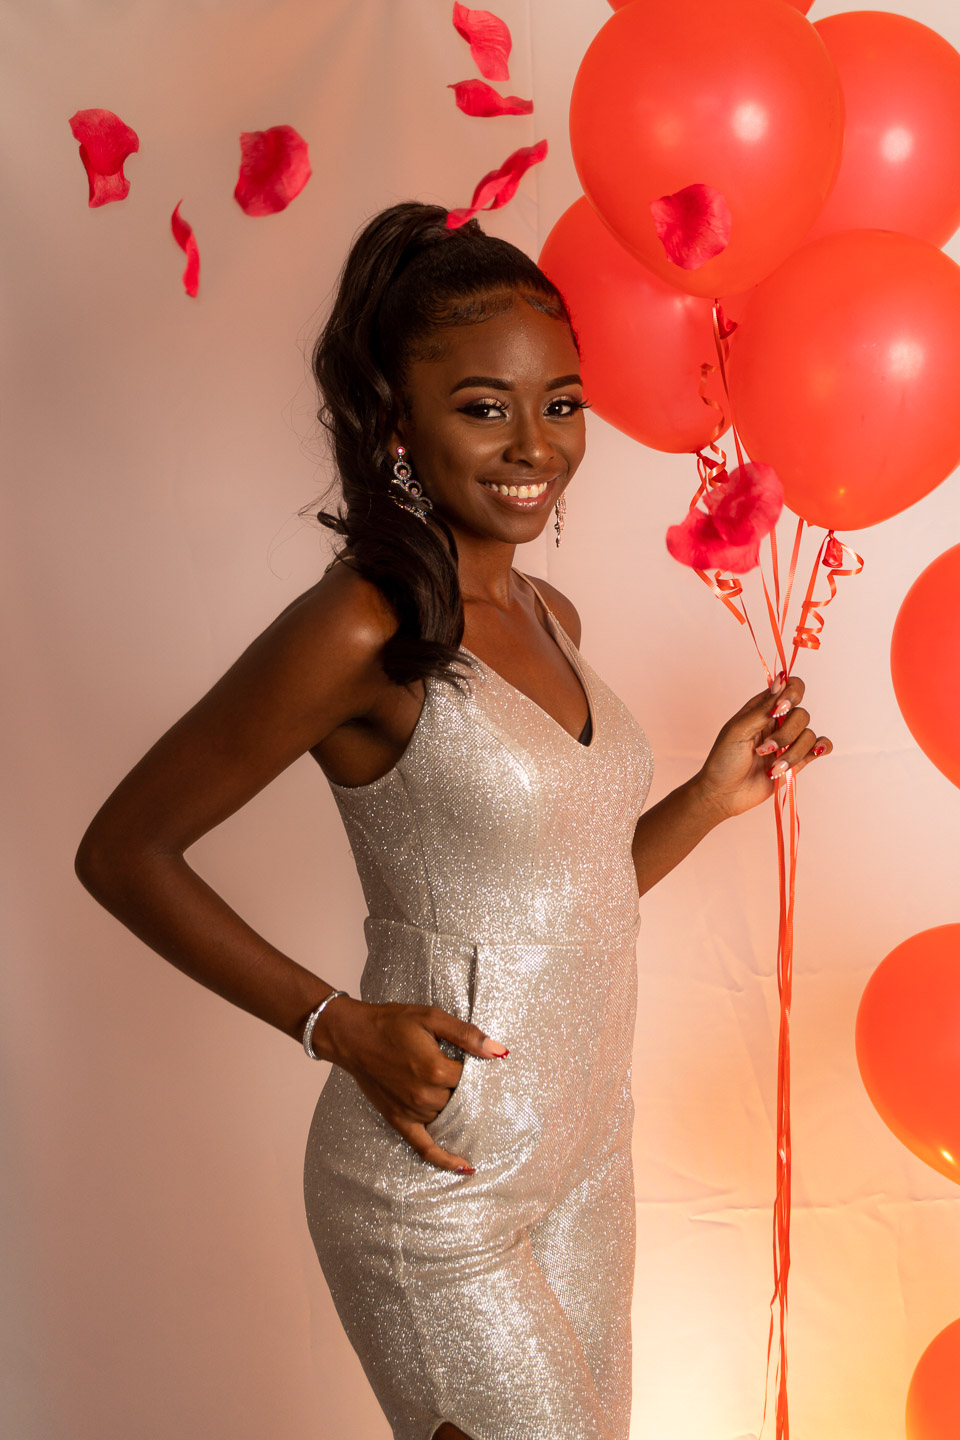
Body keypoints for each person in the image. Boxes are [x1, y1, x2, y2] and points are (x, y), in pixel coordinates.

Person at [75, 201, 831, 1440]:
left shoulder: (553, 618)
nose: (536, 444)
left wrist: (705, 797)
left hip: (587, 1154)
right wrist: (333, 1022)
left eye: (562, 403)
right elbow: (124, 851)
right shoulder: (365, 625)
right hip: (435, 1187)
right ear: (396, 422)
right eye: (485, 407)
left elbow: (559, 896)